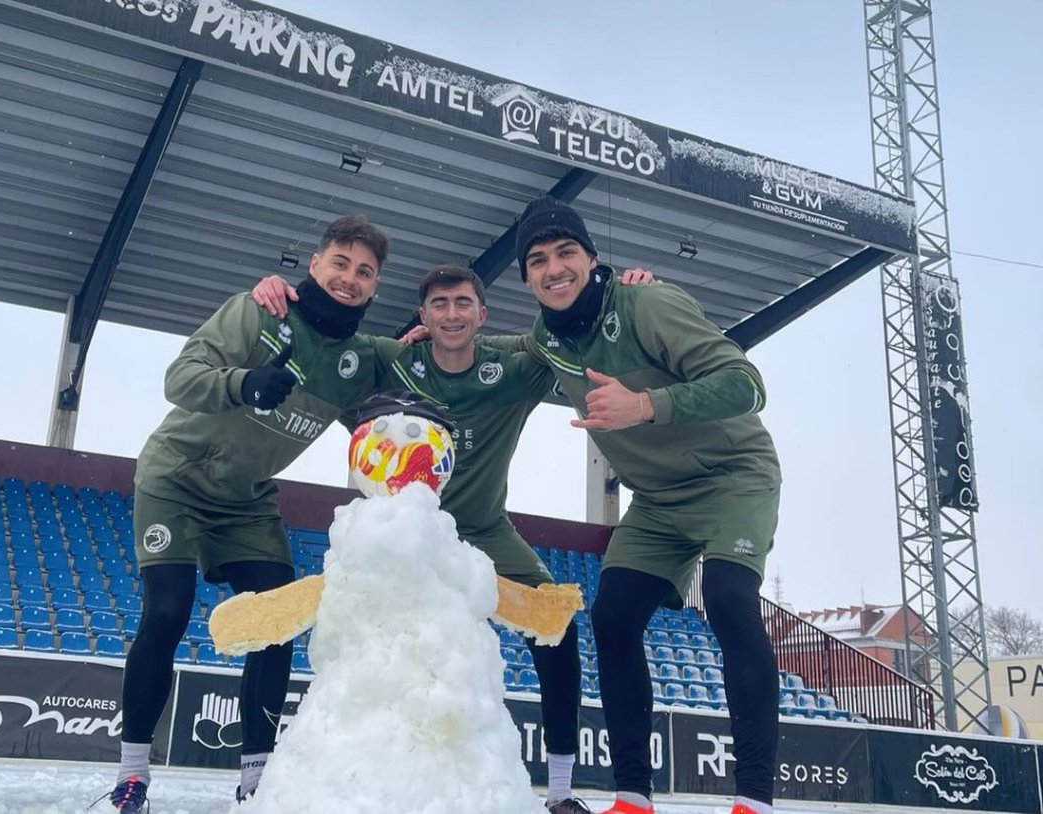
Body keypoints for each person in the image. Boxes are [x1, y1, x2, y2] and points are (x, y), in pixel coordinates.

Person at [253, 263, 651, 813]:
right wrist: (277, 290)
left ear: (482, 314)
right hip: (410, 532)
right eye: (439, 304)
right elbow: (328, 336)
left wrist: (627, 293)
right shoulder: (397, 361)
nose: (452, 314)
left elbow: (562, 331)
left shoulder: (511, 371)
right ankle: (339, 763)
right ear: (423, 315)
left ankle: (560, 790)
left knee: (556, 629)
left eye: (463, 303)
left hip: (486, 530)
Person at [103, 215, 402, 812]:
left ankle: (256, 778)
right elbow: (179, 379)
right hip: (177, 479)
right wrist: (243, 383)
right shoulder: (259, 310)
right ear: (314, 264)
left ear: (375, 286)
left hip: (246, 501)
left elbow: (399, 395)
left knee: (276, 621)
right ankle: (133, 774)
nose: (349, 278)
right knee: (167, 611)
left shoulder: (360, 359)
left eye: (364, 272)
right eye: (340, 263)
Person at [514, 196, 782, 814]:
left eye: (566, 252)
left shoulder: (649, 303)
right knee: (611, 618)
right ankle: (632, 796)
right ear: (526, 278)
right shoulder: (546, 339)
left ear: (592, 258)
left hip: (731, 476)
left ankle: (755, 801)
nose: (554, 269)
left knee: (729, 599)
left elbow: (747, 385)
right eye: (538, 260)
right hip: (659, 501)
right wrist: (435, 335)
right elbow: (497, 353)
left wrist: (645, 405)